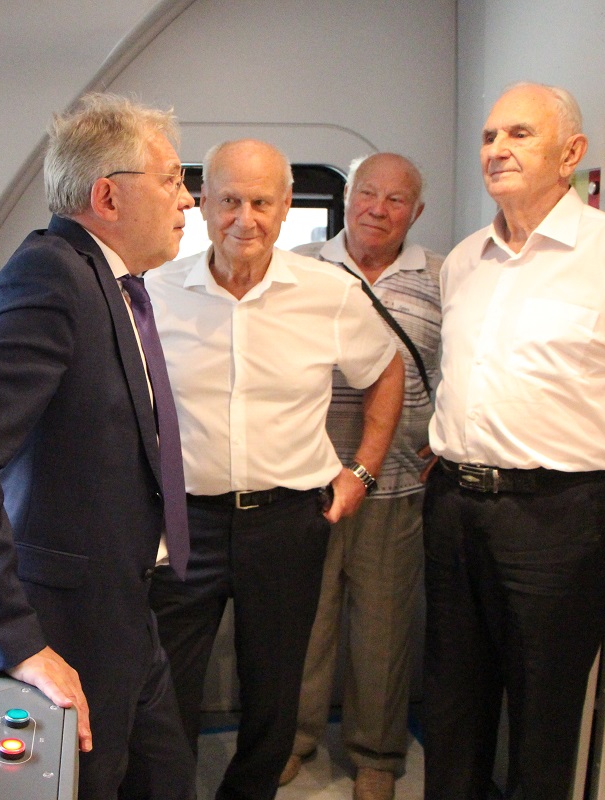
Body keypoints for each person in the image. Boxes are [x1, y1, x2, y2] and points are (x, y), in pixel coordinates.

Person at [423, 82, 605, 800]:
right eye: (489, 136)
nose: (497, 149)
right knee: (452, 701)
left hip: (562, 514)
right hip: (455, 506)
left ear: (571, 153)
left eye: (519, 134)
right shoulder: (464, 261)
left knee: (544, 713)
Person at [0, 92, 198, 800]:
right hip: (67, 622)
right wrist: (14, 639)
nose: (188, 200)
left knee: (167, 778)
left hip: (126, 605)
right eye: (170, 179)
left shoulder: (112, 282)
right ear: (108, 196)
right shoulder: (51, 276)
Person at [145, 138, 405, 800]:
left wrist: (362, 472)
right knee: (165, 684)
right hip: (184, 521)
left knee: (276, 685)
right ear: (204, 203)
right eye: (230, 200)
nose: (246, 219)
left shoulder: (329, 293)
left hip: (288, 520)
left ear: (287, 206)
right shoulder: (154, 291)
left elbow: (386, 371)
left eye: (261, 202)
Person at [281, 152, 441, 800]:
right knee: (304, 623)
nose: (378, 208)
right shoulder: (300, 268)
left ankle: (376, 754)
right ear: (346, 197)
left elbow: (465, 368)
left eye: (395, 199)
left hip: (397, 485)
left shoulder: (441, 279)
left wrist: (447, 439)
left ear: (416, 212)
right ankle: (292, 739)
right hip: (308, 482)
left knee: (383, 631)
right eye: (367, 193)